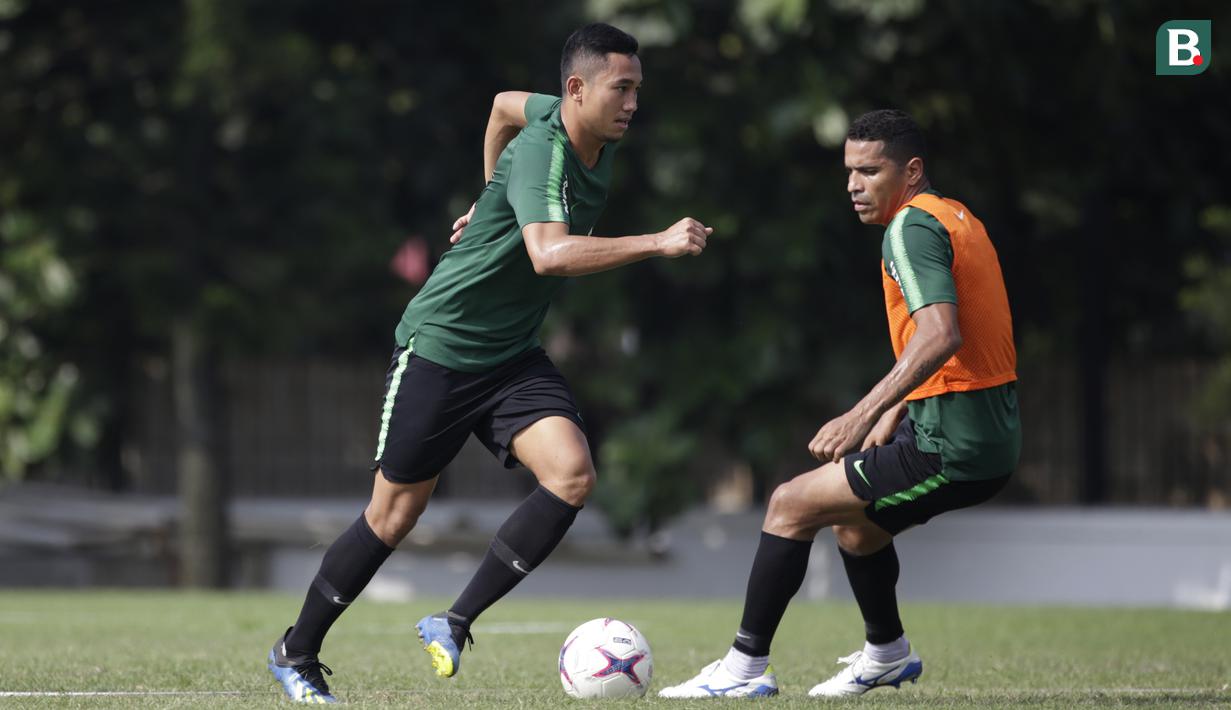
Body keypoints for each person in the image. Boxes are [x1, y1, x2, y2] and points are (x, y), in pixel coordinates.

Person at [267, 23, 713, 703]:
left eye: (636, 90)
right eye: (621, 89)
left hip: (510, 356)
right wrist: (657, 240)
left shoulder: (572, 129)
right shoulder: (547, 153)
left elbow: (504, 103)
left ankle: (452, 620)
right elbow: (550, 256)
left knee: (571, 476)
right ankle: (295, 653)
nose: (631, 103)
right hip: (441, 348)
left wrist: (491, 194)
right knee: (393, 515)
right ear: (577, 89)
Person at [659, 109, 1020, 699]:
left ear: (912, 170)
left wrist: (860, 413)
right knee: (856, 530)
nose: (853, 184)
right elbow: (969, 336)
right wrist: (894, 409)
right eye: (848, 170)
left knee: (789, 504)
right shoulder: (954, 215)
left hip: (956, 442)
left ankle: (743, 669)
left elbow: (941, 335)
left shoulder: (908, 229)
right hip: (970, 427)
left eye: (869, 171)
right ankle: (887, 653)